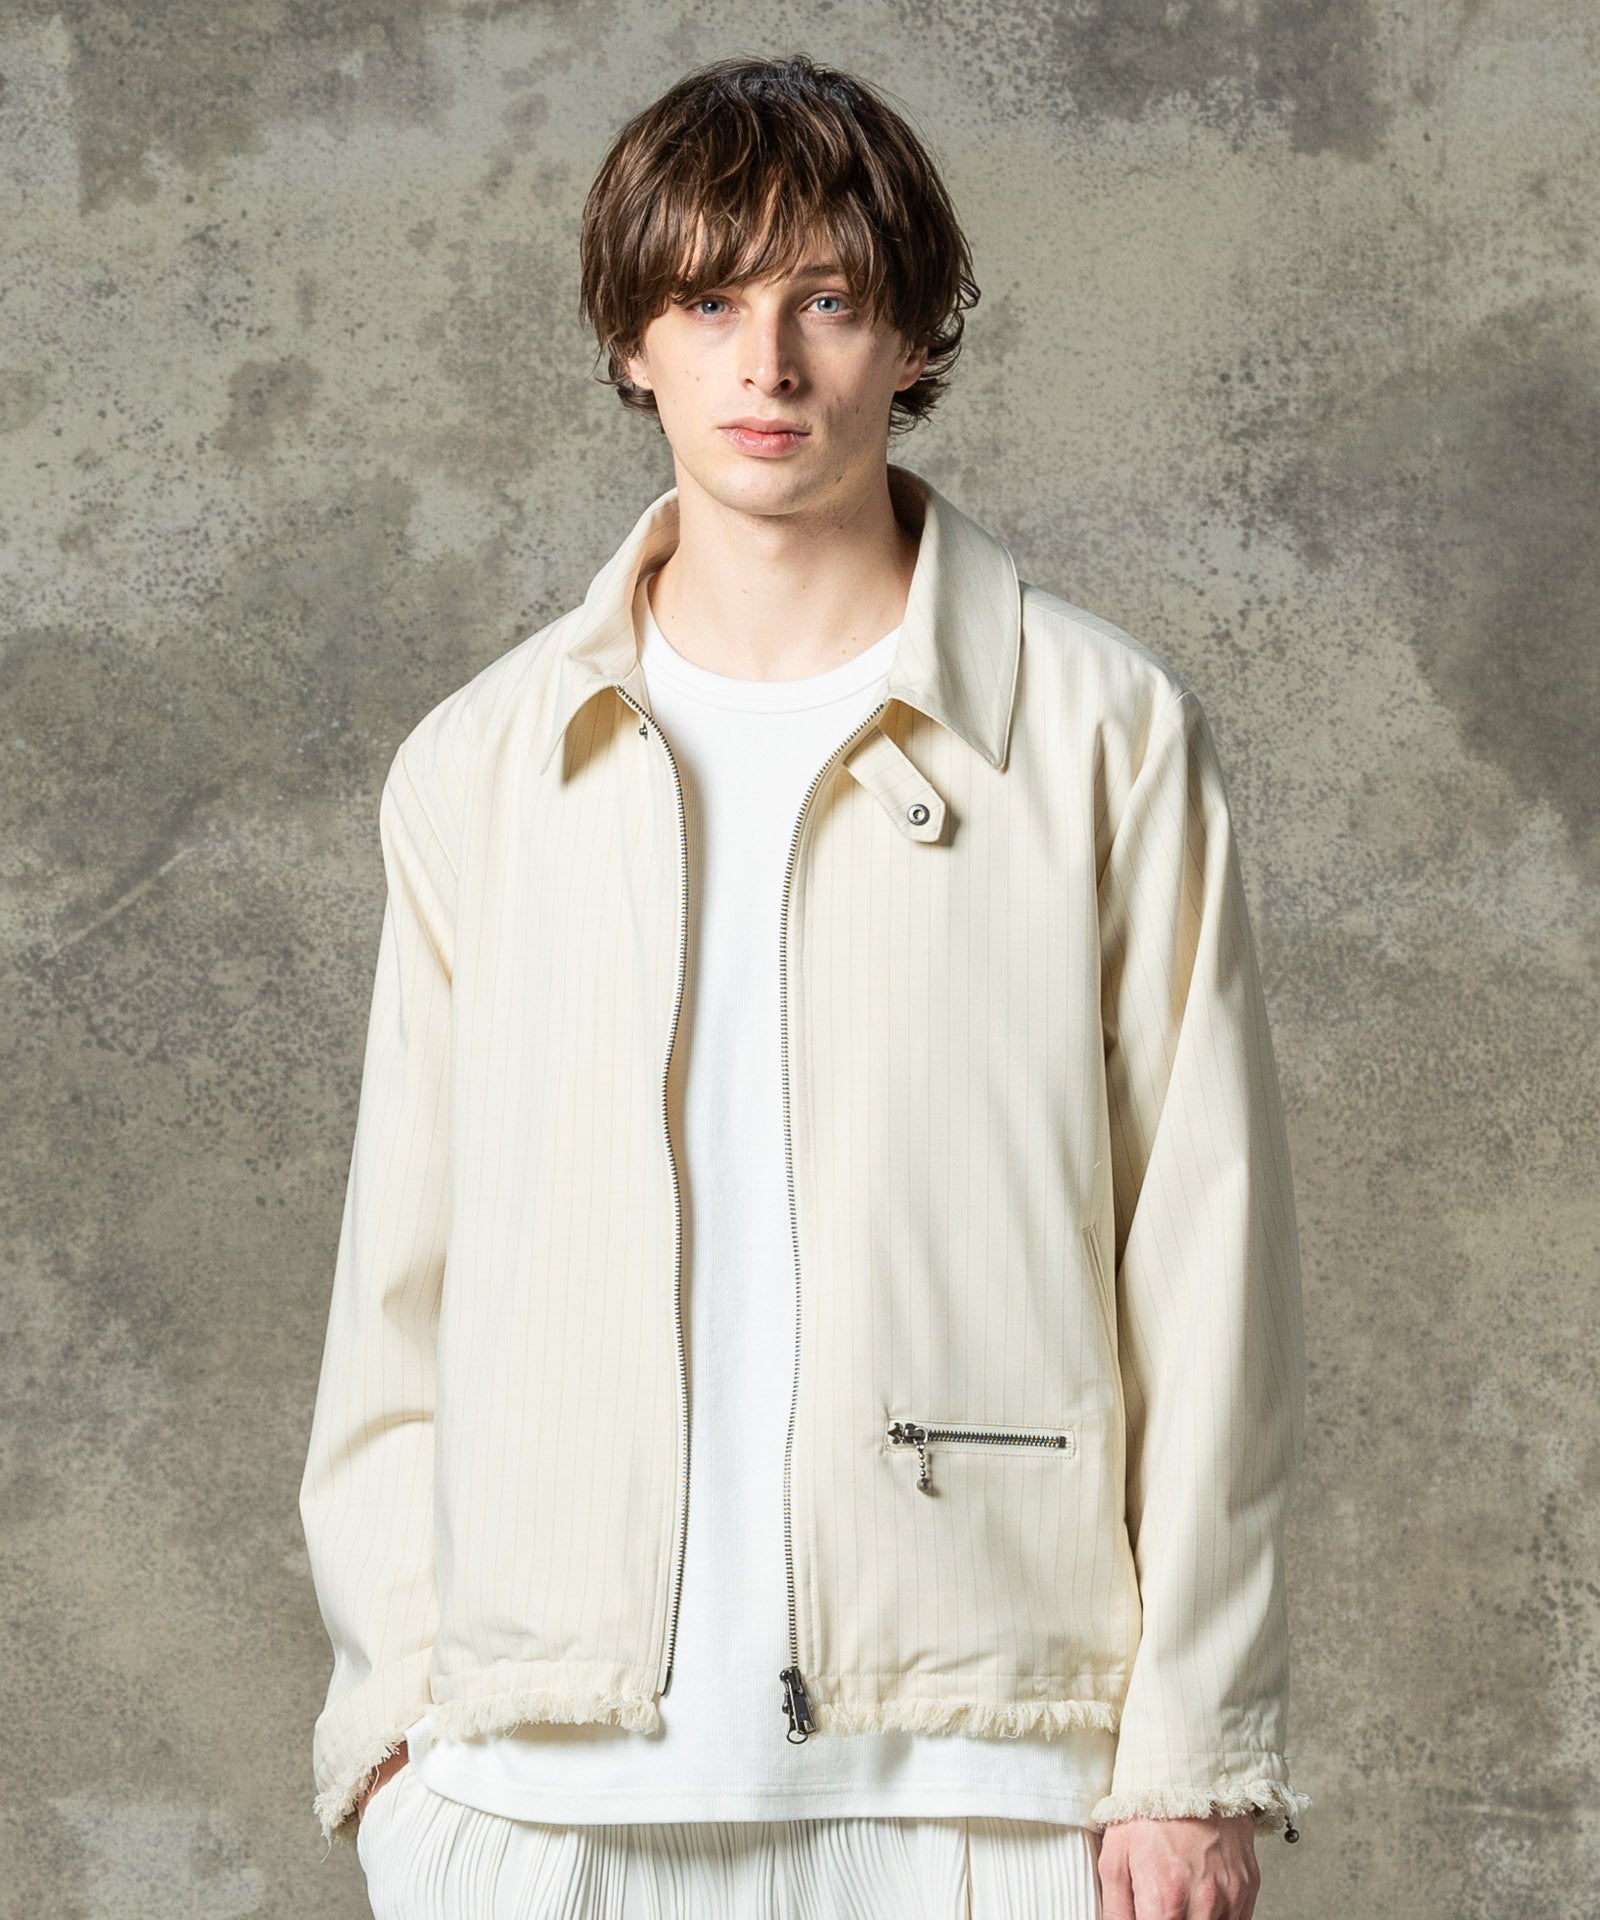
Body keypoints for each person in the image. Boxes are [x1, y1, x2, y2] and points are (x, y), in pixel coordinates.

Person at [299, 50, 1311, 1920]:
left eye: (825, 301)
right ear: (633, 340)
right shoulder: (481, 765)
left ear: (912, 334)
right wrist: (391, 1740)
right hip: (541, 1798)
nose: (765, 366)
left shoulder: (1100, 735)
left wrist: (1188, 1760)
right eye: (708, 303)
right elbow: (400, 1283)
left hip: (994, 1786)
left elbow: (1209, 1267)